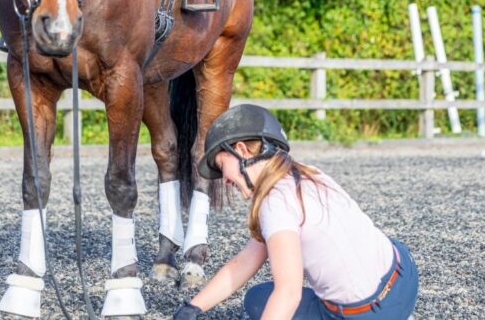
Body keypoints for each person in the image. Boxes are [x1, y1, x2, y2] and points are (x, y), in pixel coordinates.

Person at [173, 104, 418, 319]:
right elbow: (247, 260)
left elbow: (288, 294)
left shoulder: (275, 204)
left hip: (367, 314)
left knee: (258, 301)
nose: (225, 180)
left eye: (221, 165)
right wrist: (193, 307)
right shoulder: (307, 173)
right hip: (404, 277)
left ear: (242, 150)